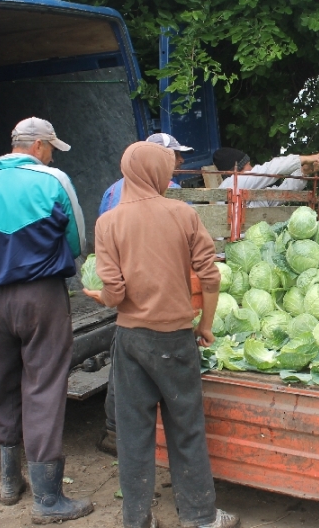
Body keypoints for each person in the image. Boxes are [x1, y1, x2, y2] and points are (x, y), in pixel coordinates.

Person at [84, 141, 238, 528]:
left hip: (131, 340)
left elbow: (115, 293)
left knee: (133, 435)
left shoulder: (108, 223)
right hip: (175, 339)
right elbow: (210, 275)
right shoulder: (182, 214)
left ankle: (137, 520)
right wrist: (204, 324)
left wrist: (101, 298)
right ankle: (201, 518)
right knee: (185, 428)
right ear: (156, 172)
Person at [0, 117, 93, 523]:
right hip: (43, 297)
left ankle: (10, 483)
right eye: (52, 148)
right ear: (39, 146)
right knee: (43, 385)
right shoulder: (53, 181)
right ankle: (48, 500)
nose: (52, 155)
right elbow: (77, 240)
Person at [96, 132, 194, 457]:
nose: (178, 162)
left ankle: (114, 431)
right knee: (168, 380)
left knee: (123, 365)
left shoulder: (112, 190)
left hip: (123, 295)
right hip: (160, 302)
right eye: (174, 156)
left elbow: (105, 242)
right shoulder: (171, 194)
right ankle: (162, 442)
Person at [99, 132, 191, 215]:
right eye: (174, 155)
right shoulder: (172, 189)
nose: (181, 160)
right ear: (157, 158)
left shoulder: (112, 191)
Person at [212, 146, 319, 207]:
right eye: (249, 165)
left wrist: (303, 172)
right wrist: (304, 159)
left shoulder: (250, 191)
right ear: (236, 170)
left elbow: (279, 195)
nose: (252, 168)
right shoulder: (231, 184)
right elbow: (270, 169)